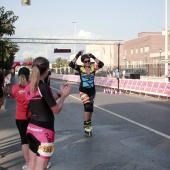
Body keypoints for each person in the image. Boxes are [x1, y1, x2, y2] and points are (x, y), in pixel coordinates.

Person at [25, 57, 71, 170]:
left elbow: (43, 102)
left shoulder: (29, 85)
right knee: (41, 167)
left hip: (31, 128)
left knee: (31, 165)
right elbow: (56, 110)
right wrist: (64, 97)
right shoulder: (43, 87)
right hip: (44, 132)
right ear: (46, 71)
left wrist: (59, 94)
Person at [69, 51, 104, 136]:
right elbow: (71, 64)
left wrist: (92, 56)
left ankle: (88, 124)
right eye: (85, 61)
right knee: (87, 106)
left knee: (90, 108)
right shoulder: (81, 68)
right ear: (83, 62)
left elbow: (101, 64)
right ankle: (86, 126)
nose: (87, 63)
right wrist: (77, 55)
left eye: (88, 61)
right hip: (83, 91)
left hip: (92, 91)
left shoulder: (93, 67)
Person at [12, 67, 30, 170]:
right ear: (28, 75)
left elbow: (14, 95)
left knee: (24, 141)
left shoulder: (14, 88)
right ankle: (40, 162)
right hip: (31, 117)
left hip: (19, 117)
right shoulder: (32, 87)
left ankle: (28, 164)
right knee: (34, 140)